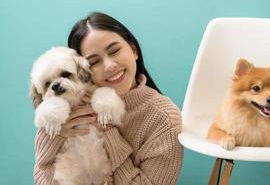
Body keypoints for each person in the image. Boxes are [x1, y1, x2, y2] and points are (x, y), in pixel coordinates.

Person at [33, 12, 183, 185]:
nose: (109, 66)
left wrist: (107, 130)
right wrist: (53, 136)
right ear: (82, 70)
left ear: (134, 50)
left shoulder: (164, 120)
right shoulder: (67, 109)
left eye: (115, 50)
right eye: (94, 62)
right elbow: (42, 177)